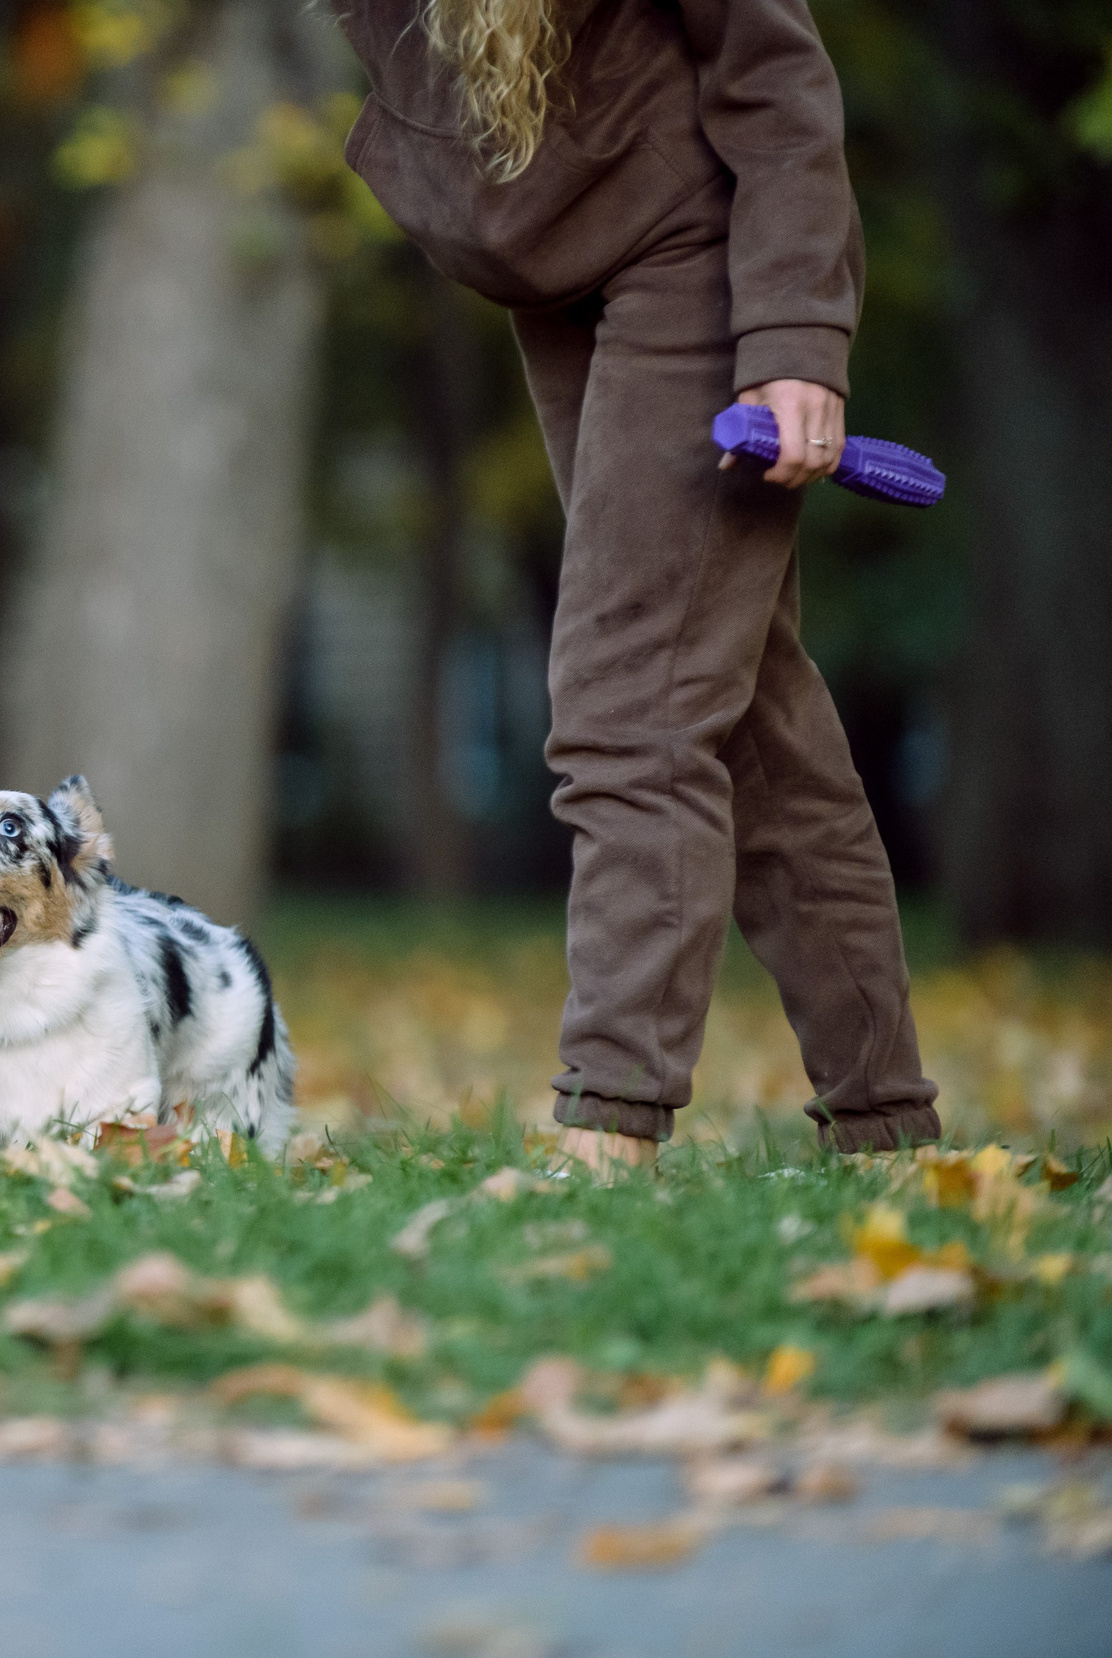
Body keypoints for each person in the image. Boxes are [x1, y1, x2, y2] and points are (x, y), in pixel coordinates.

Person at [333, 0, 939, 1168]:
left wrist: (796, 337)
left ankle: (612, 1122)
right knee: (753, 721)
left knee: (630, 699)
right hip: (554, 261)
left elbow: (775, 77)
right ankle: (888, 1131)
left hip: (700, 248)